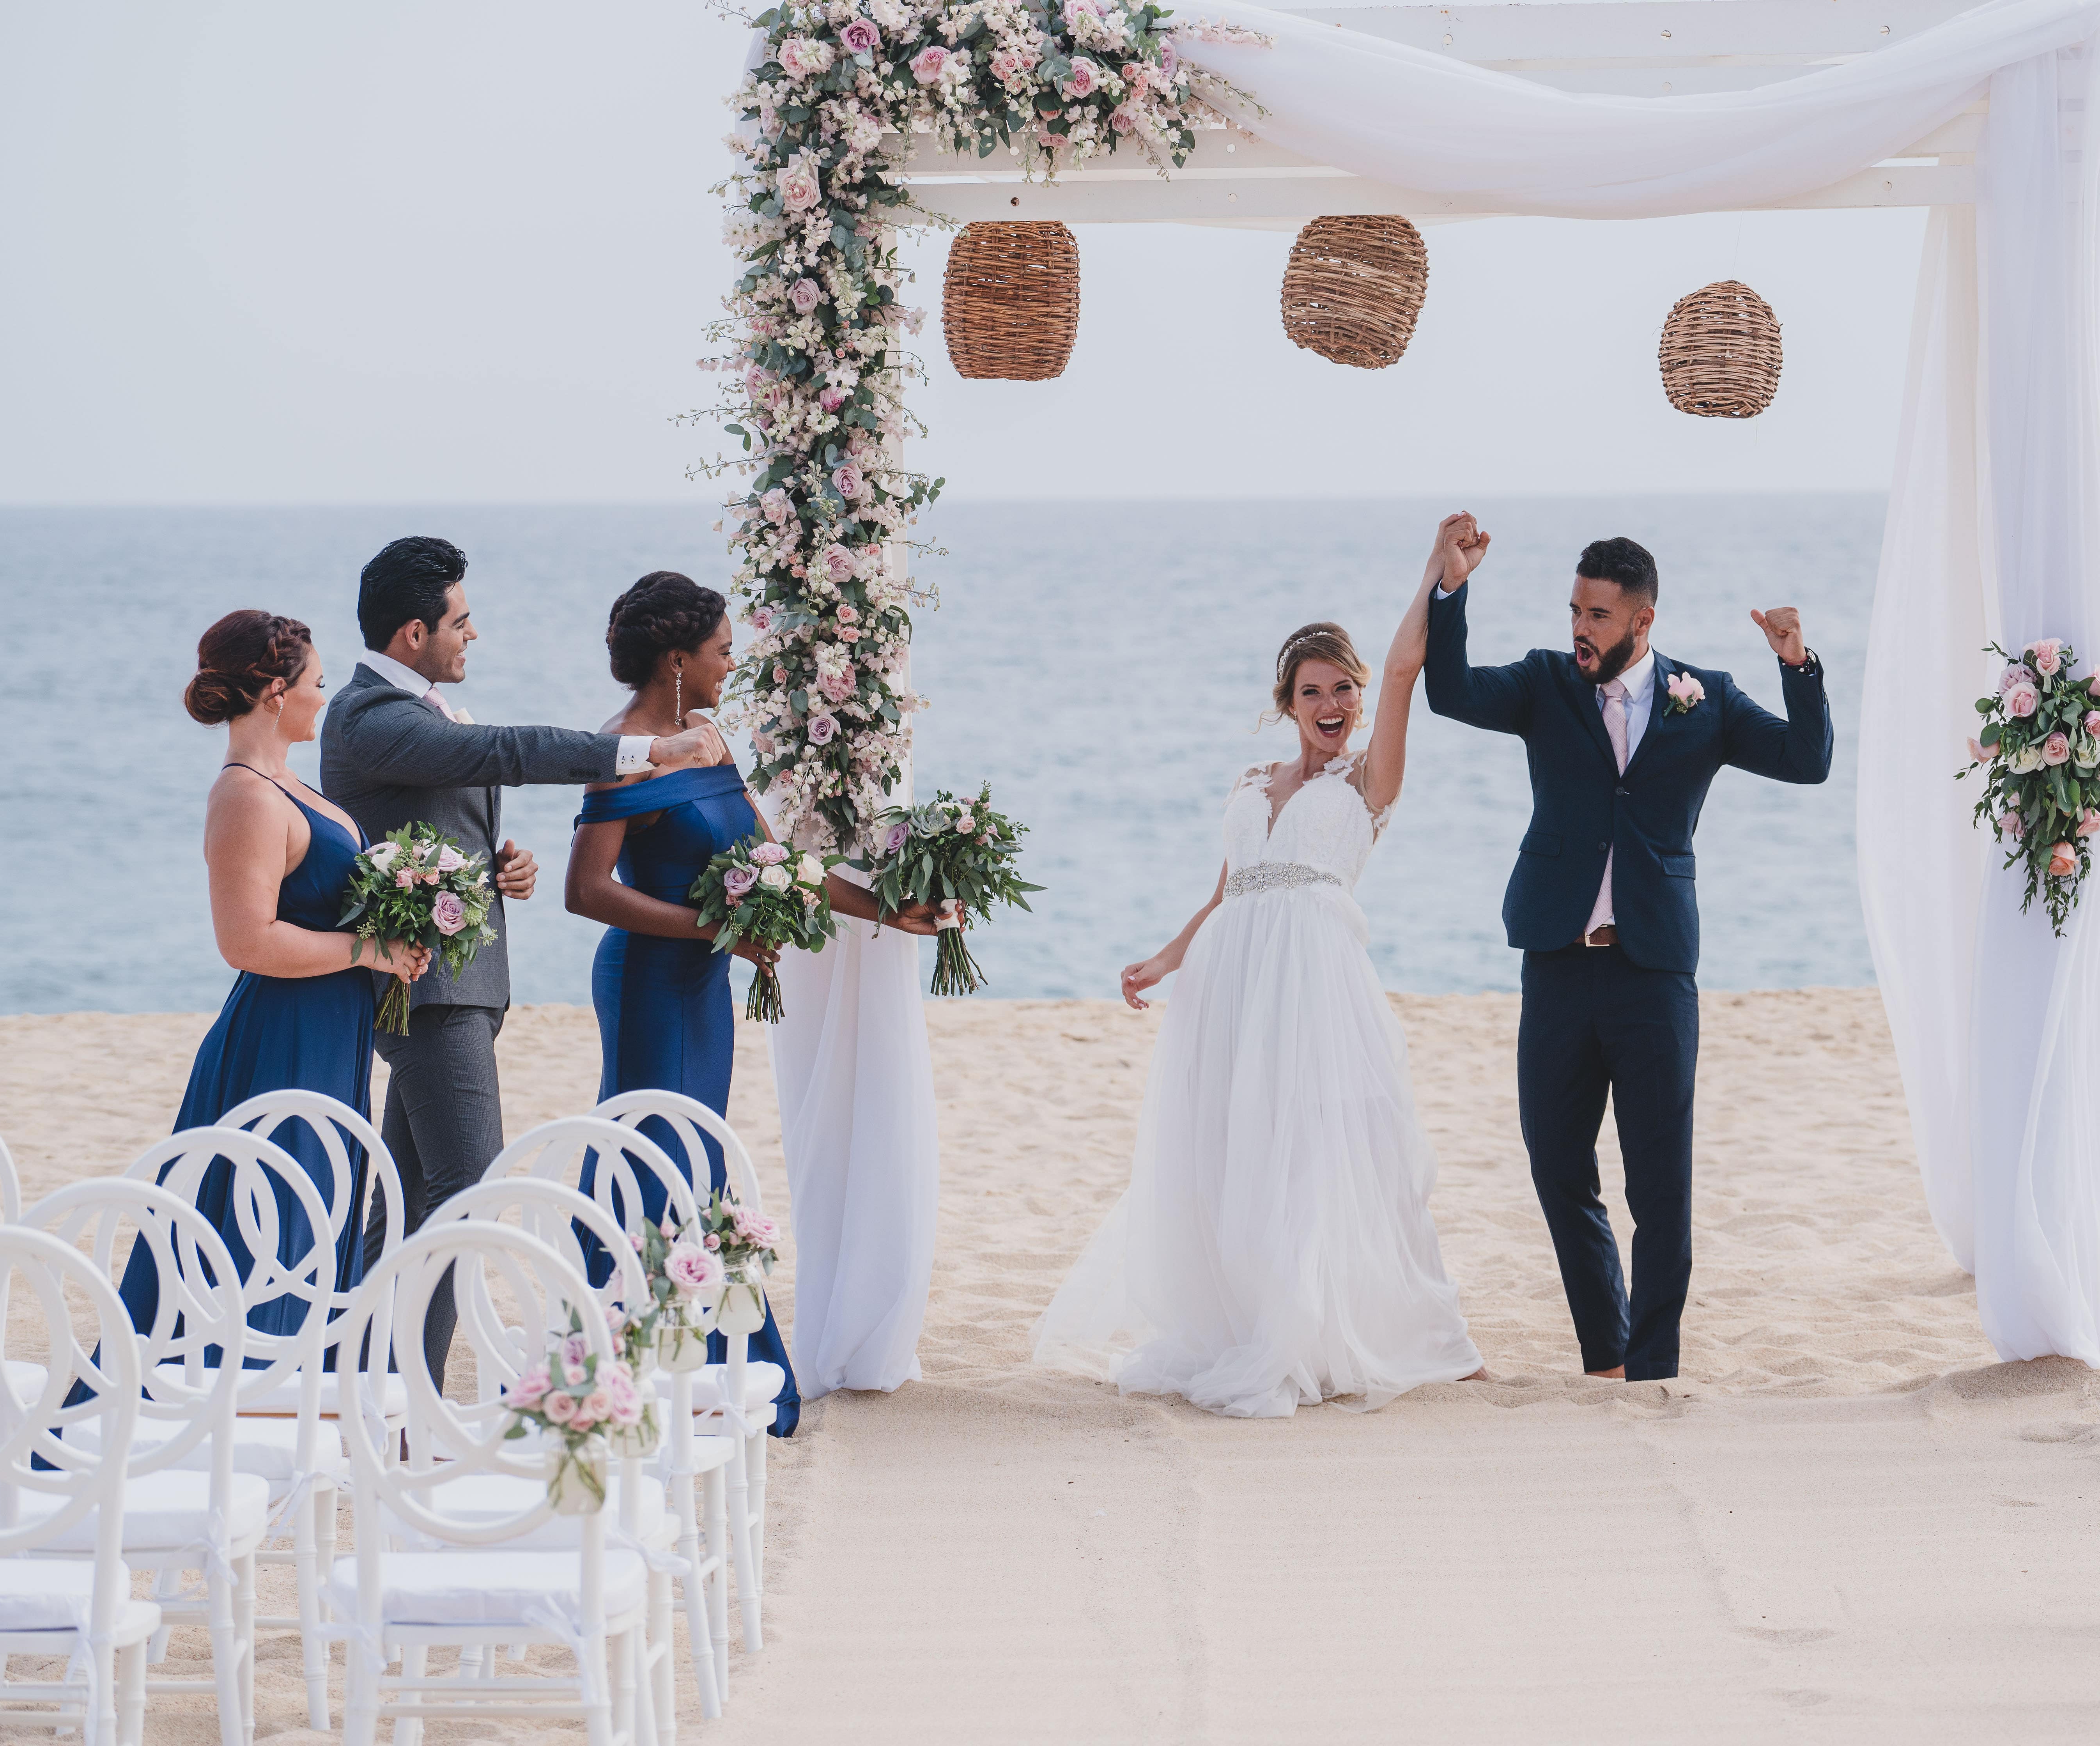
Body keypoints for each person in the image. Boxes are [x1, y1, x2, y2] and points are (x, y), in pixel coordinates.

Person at [1032, 530, 1484, 1417]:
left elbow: (1405, 672)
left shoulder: (1367, 783)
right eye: (1312, 691)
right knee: (1238, 1154)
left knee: (1338, 1151)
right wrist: (1168, 959)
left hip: (1316, 985)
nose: (1332, 703)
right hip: (1230, 986)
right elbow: (1228, 892)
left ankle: (1394, 1330)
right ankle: (1254, 1318)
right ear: (1286, 703)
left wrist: (1435, 576)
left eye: (1342, 689)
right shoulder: (1251, 781)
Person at [1420, 515, 1834, 1385]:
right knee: (1557, 1165)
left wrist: (1796, 665)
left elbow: (1806, 760)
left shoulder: (1705, 697)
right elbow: (1450, 691)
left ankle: (1652, 1369)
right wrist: (1451, 589)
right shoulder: (1542, 684)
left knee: (1659, 1185)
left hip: (1653, 973)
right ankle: (1604, 1356)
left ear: (1643, 621)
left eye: (1599, 615)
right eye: (1575, 609)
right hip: (1559, 965)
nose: (1581, 627)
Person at [320, 535, 724, 1381]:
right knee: (471, 1193)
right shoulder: (371, 717)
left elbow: (441, 818)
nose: (475, 635)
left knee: (410, 1203)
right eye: (461, 623)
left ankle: (358, 1389)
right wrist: (648, 751)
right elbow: (505, 751)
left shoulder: (411, 711)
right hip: (429, 991)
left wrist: (500, 867)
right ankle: (398, 1397)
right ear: (411, 635)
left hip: (455, 986)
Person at [566, 572, 936, 1437]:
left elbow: (774, 864)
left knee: (699, 1152)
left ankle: (687, 1356)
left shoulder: (709, 736)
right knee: (658, 1156)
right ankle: (629, 1356)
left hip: (702, 982)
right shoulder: (620, 752)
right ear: (675, 659)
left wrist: (886, 910)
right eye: (723, 651)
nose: (732, 666)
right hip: (648, 980)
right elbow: (588, 892)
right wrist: (712, 930)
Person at [138, 611, 427, 1338]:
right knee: (277, 1214)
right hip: (284, 1038)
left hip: (333, 1030)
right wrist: (371, 953)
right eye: (318, 683)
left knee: (323, 1201)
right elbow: (247, 941)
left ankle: (303, 1389)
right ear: (274, 691)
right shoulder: (244, 795)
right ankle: (251, 1385)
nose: (324, 698)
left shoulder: (288, 783)